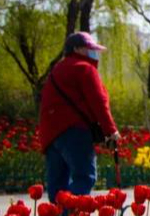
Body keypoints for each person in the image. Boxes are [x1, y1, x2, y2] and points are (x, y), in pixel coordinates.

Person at [38, 32, 121, 204]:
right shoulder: (84, 68)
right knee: (85, 178)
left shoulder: (55, 71)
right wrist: (111, 131)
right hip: (75, 131)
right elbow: (98, 102)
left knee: (58, 186)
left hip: (51, 136)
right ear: (76, 49)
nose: (94, 52)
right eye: (89, 48)